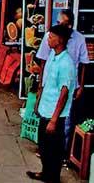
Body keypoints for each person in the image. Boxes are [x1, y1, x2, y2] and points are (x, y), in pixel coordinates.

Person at [27, 24, 76, 183]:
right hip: (45, 108)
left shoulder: (66, 63)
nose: (48, 39)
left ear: (60, 40)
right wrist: (38, 101)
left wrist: (54, 119)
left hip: (55, 115)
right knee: (43, 146)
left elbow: (64, 92)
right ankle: (45, 172)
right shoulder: (52, 57)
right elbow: (45, 82)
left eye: (51, 37)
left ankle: (52, 177)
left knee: (53, 150)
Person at [36, 10, 89, 153]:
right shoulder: (52, 42)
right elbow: (42, 61)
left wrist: (81, 87)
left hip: (64, 89)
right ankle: (45, 155)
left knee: (62, 125)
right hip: (49, 88)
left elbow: (64, 92)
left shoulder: (67, 60)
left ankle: (60, 155)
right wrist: (40, 86)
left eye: (63, 24)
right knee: (44, 124)